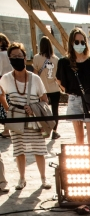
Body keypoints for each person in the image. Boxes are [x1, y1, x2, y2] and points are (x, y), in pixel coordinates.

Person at [0, 42, 51, 190]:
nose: (17, 58)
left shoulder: (35, 78)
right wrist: (8, 108)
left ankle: (43, 178)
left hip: (33, 117)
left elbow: (44, 98)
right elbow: (1, 93)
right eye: (14, 56)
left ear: (24, 57)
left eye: (20, 56)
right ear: (9, 58)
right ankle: (21, 178)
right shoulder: (6, 78)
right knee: (19, 149)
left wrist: (33, 108)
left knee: (39, 149)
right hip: (17, 117)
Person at [56, 28, 90, 146]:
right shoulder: (64, 62)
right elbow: (59, 79)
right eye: (77, 42)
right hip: (74, 98)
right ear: (71, 43)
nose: (80, 44)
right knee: (79, 139)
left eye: (82, 42)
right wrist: (67, 91)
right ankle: (82, 163)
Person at [33, 36, 61, 140]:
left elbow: (35, 75)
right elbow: (57, 76)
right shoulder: (56, 59)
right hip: (54, 89)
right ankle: (54, 131)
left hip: (42, 89)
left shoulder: (36, 58)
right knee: (55, 111)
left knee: (42, 111)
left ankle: (44, 130)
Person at [0, 33, 12, 138]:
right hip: (11, 83)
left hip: (2, 83)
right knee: (9, 106)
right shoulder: (10, 53)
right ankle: (7, 129)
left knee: (4, 107)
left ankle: (6, 130)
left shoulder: (0, 55)